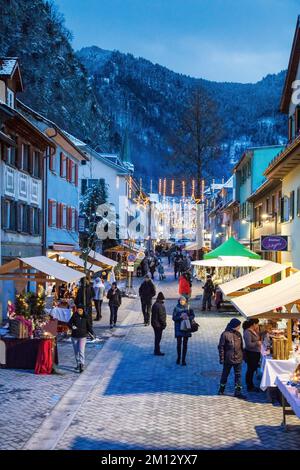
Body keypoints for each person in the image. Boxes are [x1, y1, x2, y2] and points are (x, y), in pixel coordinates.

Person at [218, 318, 246, 399]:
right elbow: (221, 347)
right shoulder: (225, 334)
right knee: (225, 375)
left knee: (238, 376)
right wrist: (222, 359)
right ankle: (221, 389)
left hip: (238, 359)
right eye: (238, 326)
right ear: (234, 326)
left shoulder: (238, 334)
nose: (239, 327)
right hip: (228, 359)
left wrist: (243, 356)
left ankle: (238, 392)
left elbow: (241, 346)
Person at [68, 305, 94, 373]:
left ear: (83, 310)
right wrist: (72, 326)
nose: (79, 311)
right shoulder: (74, 316)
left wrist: (92, 333)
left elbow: (89, 326)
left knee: (81, 351)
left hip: (82, 336)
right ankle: (78, 364)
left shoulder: (86, 317)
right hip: (74, 336)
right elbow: (69, 323)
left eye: (80, 310)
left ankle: (82, 364)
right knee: (76, 352)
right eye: (78, 310)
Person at [172, 296, 195, 366]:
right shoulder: (176, 308)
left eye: (183, 300)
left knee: (185, 344)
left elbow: (193, 315)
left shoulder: (189, 307)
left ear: (185, 301)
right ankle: (178, 357)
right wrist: (180, 317)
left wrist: (188, 317)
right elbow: (174, 318)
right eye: (180, 300)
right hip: (178, 328)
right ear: (179, 301)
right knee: (179, 344)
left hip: (186, 327)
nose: (181, 301)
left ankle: (183, 359)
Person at [243, 319, 261, 392]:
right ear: (253, 324)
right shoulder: (247, 332)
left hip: (255, 353)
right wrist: (257, 343)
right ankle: (249, 386)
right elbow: (249, 344)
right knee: (250, 369)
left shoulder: (253, 331)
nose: (257, 325)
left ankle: (251, 385)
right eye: (257, 324)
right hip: (251, 353)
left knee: (252, 369)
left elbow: (257, 337)